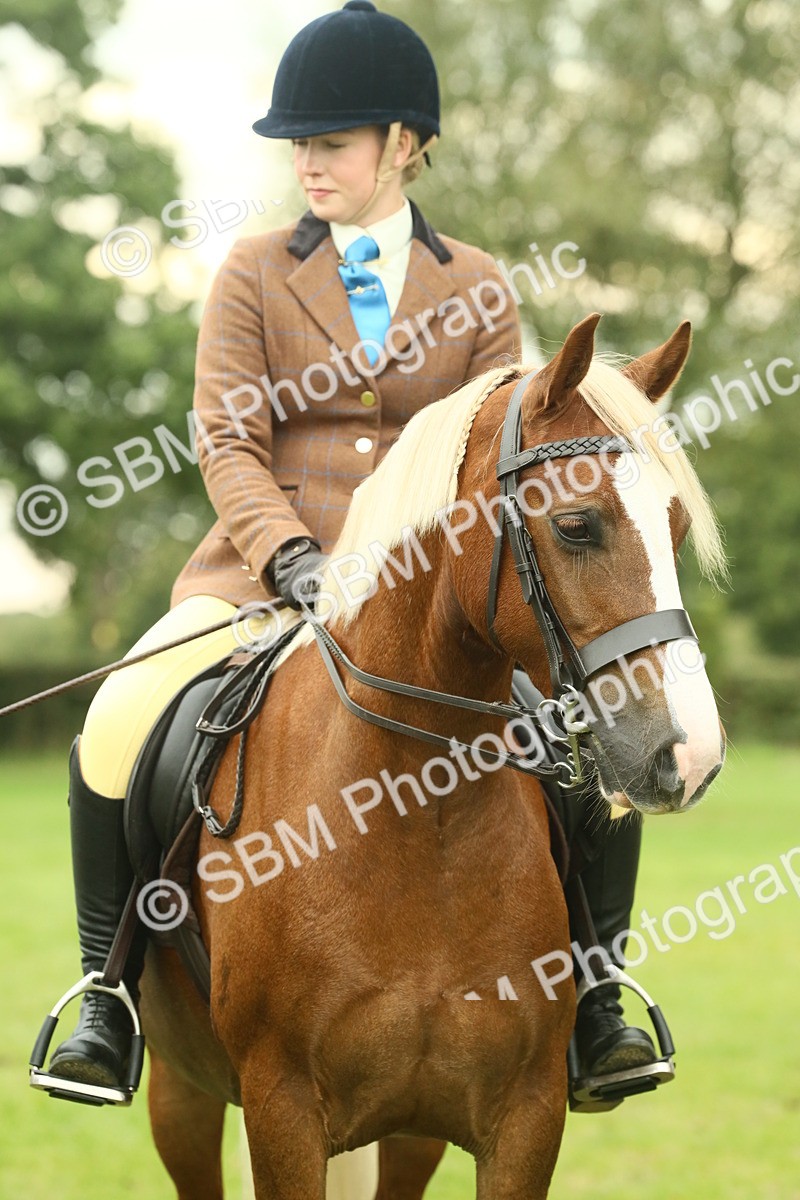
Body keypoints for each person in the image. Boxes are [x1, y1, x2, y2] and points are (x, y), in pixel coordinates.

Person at [43, 0, 656, 1102]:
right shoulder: (250, 272)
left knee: (575, 751)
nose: (305, 164)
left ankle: (599, 996)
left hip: (425, 601)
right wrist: (288, 560)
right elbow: (228, 437)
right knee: (117, 718)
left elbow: (494, 453)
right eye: (297, 146)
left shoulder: (473, 283)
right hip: (256, 583)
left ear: (403, 145)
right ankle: (109, 992)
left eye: (329, 142)